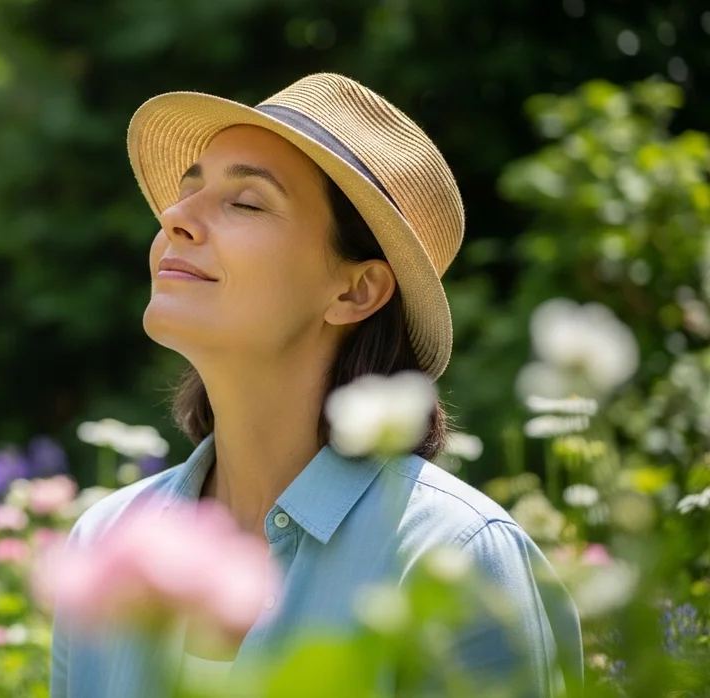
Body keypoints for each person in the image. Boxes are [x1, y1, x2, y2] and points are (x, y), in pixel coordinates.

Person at [49, 73, 584, 697]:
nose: (174, 217)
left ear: (355, 291)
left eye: (246, 202)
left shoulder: (454, 558)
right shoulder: (110, 543)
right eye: (187, 192)